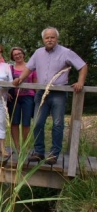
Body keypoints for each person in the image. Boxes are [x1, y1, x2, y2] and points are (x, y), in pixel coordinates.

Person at [13, 27, 88, 165]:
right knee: (37, 123)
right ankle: (39, 152)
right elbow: (29, 68)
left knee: (58, 124)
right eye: (47, 37)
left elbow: (83, 66)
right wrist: (20, 79)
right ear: (43, 39)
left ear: (56, 38)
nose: (49, 40)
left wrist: (80, 82)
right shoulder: (38, 53)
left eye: (52, 37)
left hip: (58, 93)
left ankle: (53, 154)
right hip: (41, 92)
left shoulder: (66, 52)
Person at [7, 47, 37, 152]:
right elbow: (6, 82)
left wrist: (38, 97)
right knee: (14, 122)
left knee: (26, 122)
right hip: (14, 97)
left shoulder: (31, 67)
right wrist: (6, 92)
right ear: (12, 57)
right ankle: (17, 147)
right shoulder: (10, 68)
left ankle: (25, 146)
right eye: (15, 54)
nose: (18, 56)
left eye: (19, 53)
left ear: (23, 54)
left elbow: (35, 83)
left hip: (28, 97)